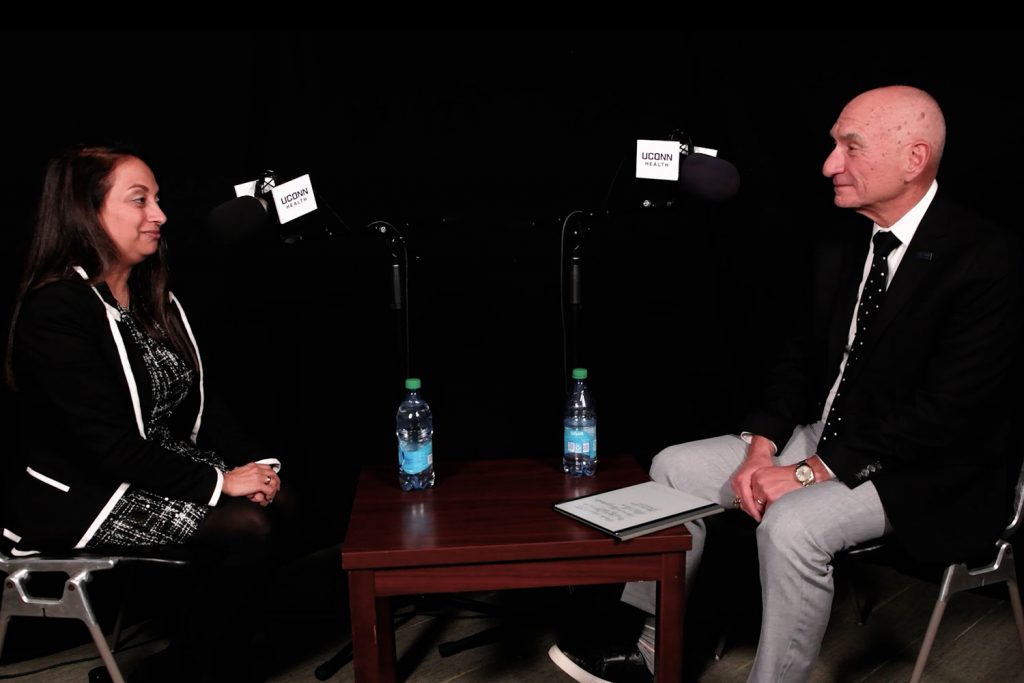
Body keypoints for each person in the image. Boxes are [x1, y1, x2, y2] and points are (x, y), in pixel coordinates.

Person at [548, 85, 1023, 682]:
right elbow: (798, 358)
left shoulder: (987, 259)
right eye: (832, 145)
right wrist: (762, 446)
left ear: (914, 158)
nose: (830, 165)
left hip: (927, 470)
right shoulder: (842, 239)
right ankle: (649, 651)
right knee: (672, 466)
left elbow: (946, 413)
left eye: (850, 147)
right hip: (828, 437)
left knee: (791, 525)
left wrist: (805, 474)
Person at [2, 144, 290, 682]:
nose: (159, 215)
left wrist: (258, 465)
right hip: (84, 491)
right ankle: (180, 671)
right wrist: (219, 483)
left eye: (157, 199)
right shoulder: (57, 310)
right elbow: (105, 447)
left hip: (150, 468)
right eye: (140, 200)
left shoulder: (154, 296)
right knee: (247, 525)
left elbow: (203, 406)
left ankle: (212, 655)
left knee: (284, 498)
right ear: (86, 211)